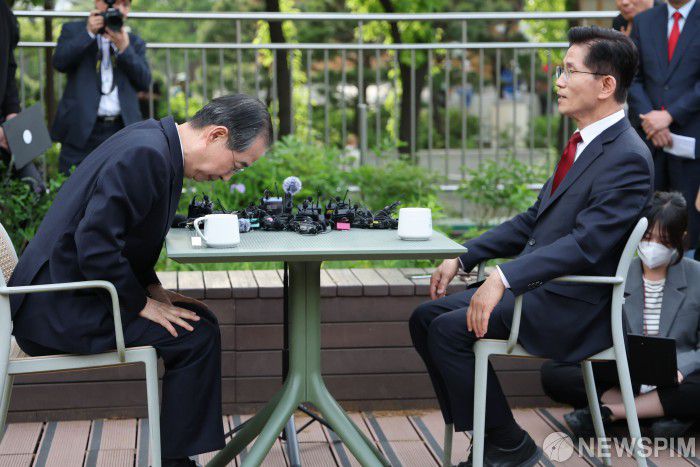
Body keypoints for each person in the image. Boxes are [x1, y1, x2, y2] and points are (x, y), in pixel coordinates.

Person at [409, 26, 653, 467]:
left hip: (575, 306)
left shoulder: (628, 157)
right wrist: (465, 255)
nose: (559, 81)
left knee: (447, 330)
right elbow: (532, 221)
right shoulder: (583, 144)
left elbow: (586, 245)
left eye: (569, 71)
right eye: (561, 70)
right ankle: (496, 438)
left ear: (605, 85)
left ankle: (504, 442)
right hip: (545, 291)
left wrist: (504, 277)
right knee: (424, 318)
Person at [8, 94, 272, 467]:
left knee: (198, 323)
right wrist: (140, 304)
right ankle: (176, 462)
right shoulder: (148, 155)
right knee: (196, 335)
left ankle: (177, 458)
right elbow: (96, 246)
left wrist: (151, 289)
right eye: (237, 165)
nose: (228, 177)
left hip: (60, 295)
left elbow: (124, 237)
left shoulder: (154, 141)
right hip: (58, 310)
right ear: (216, 135)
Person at [541, 191, 700, 440]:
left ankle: (610, 413)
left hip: (678, 375)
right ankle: (656, 413)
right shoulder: (617, 274)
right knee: (555, 372)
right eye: (647, 237)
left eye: (664, 240)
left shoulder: (697, 276)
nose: (653, 246)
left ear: (681, 238)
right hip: (627, 371)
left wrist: (682, 368)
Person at [628, 0, 700, 256]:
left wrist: (670, 115)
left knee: (690, 228)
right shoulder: (644, 20)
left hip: (692, 140)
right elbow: (632, 77)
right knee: (646, 220)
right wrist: (651, 120)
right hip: (649, 141)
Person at [52, 0, 151, 175]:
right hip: (80, 130)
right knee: (72, 184)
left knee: (120, 184)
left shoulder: (134, 42)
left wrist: (124, 49)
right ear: (98, 3)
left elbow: (144, 81)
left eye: (126, 5)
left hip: (121, 128)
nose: (120, 10)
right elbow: (59, 62)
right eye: (115, 3)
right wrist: (88, 34)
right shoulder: (73, 30)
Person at [0, 1, 45, 193]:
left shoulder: (3, 13)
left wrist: (12, 114)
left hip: (4, 128)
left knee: (35, 190)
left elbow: (9, 69)